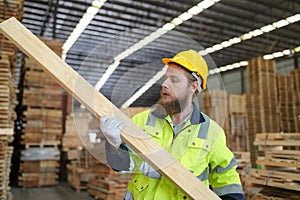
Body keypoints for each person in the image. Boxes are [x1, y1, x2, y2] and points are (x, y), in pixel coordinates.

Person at [100, 49, 244, 200]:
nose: (164, 84)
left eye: (174, 80)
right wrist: (113, 145)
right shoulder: (142, 120)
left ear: (193, 86)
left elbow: (226, 177)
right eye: (165, 78)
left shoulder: (211, 132)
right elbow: (121, 166)